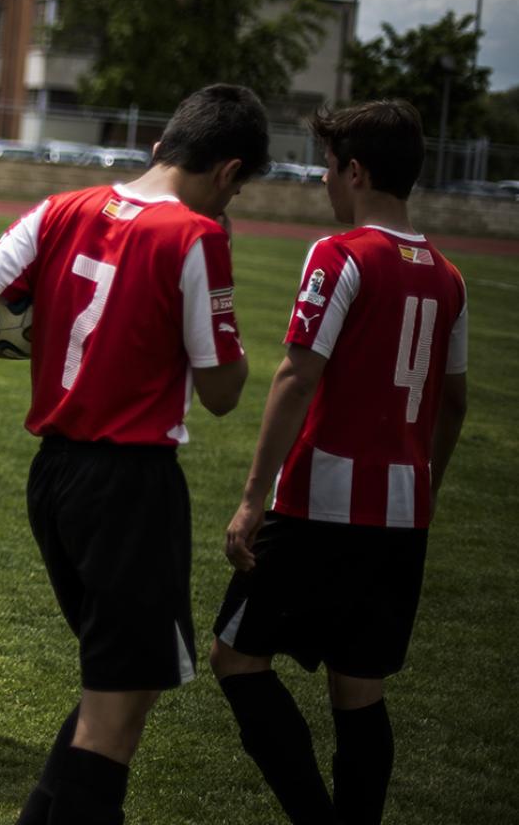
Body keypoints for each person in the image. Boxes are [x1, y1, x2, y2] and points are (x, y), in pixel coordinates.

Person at [0, 84, 262, 824]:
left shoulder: (61, 207)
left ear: (159, 145)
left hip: (55, 476)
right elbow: (222, 391)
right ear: (230, 173)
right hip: (131, 487)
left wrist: (25, 344)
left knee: (112, 693)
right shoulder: (196, 236)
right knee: (116, 718)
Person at [210, 100, 468, 825]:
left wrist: (253, 496)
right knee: (361, 691)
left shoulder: (341, 254)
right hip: (401, 516)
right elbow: (455, 403)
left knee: (235, 659)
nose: (324, 181)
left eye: (329, 167)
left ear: (354, 171)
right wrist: (427, 488)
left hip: (320, 506)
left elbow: (297, 377)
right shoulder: (448, 277)